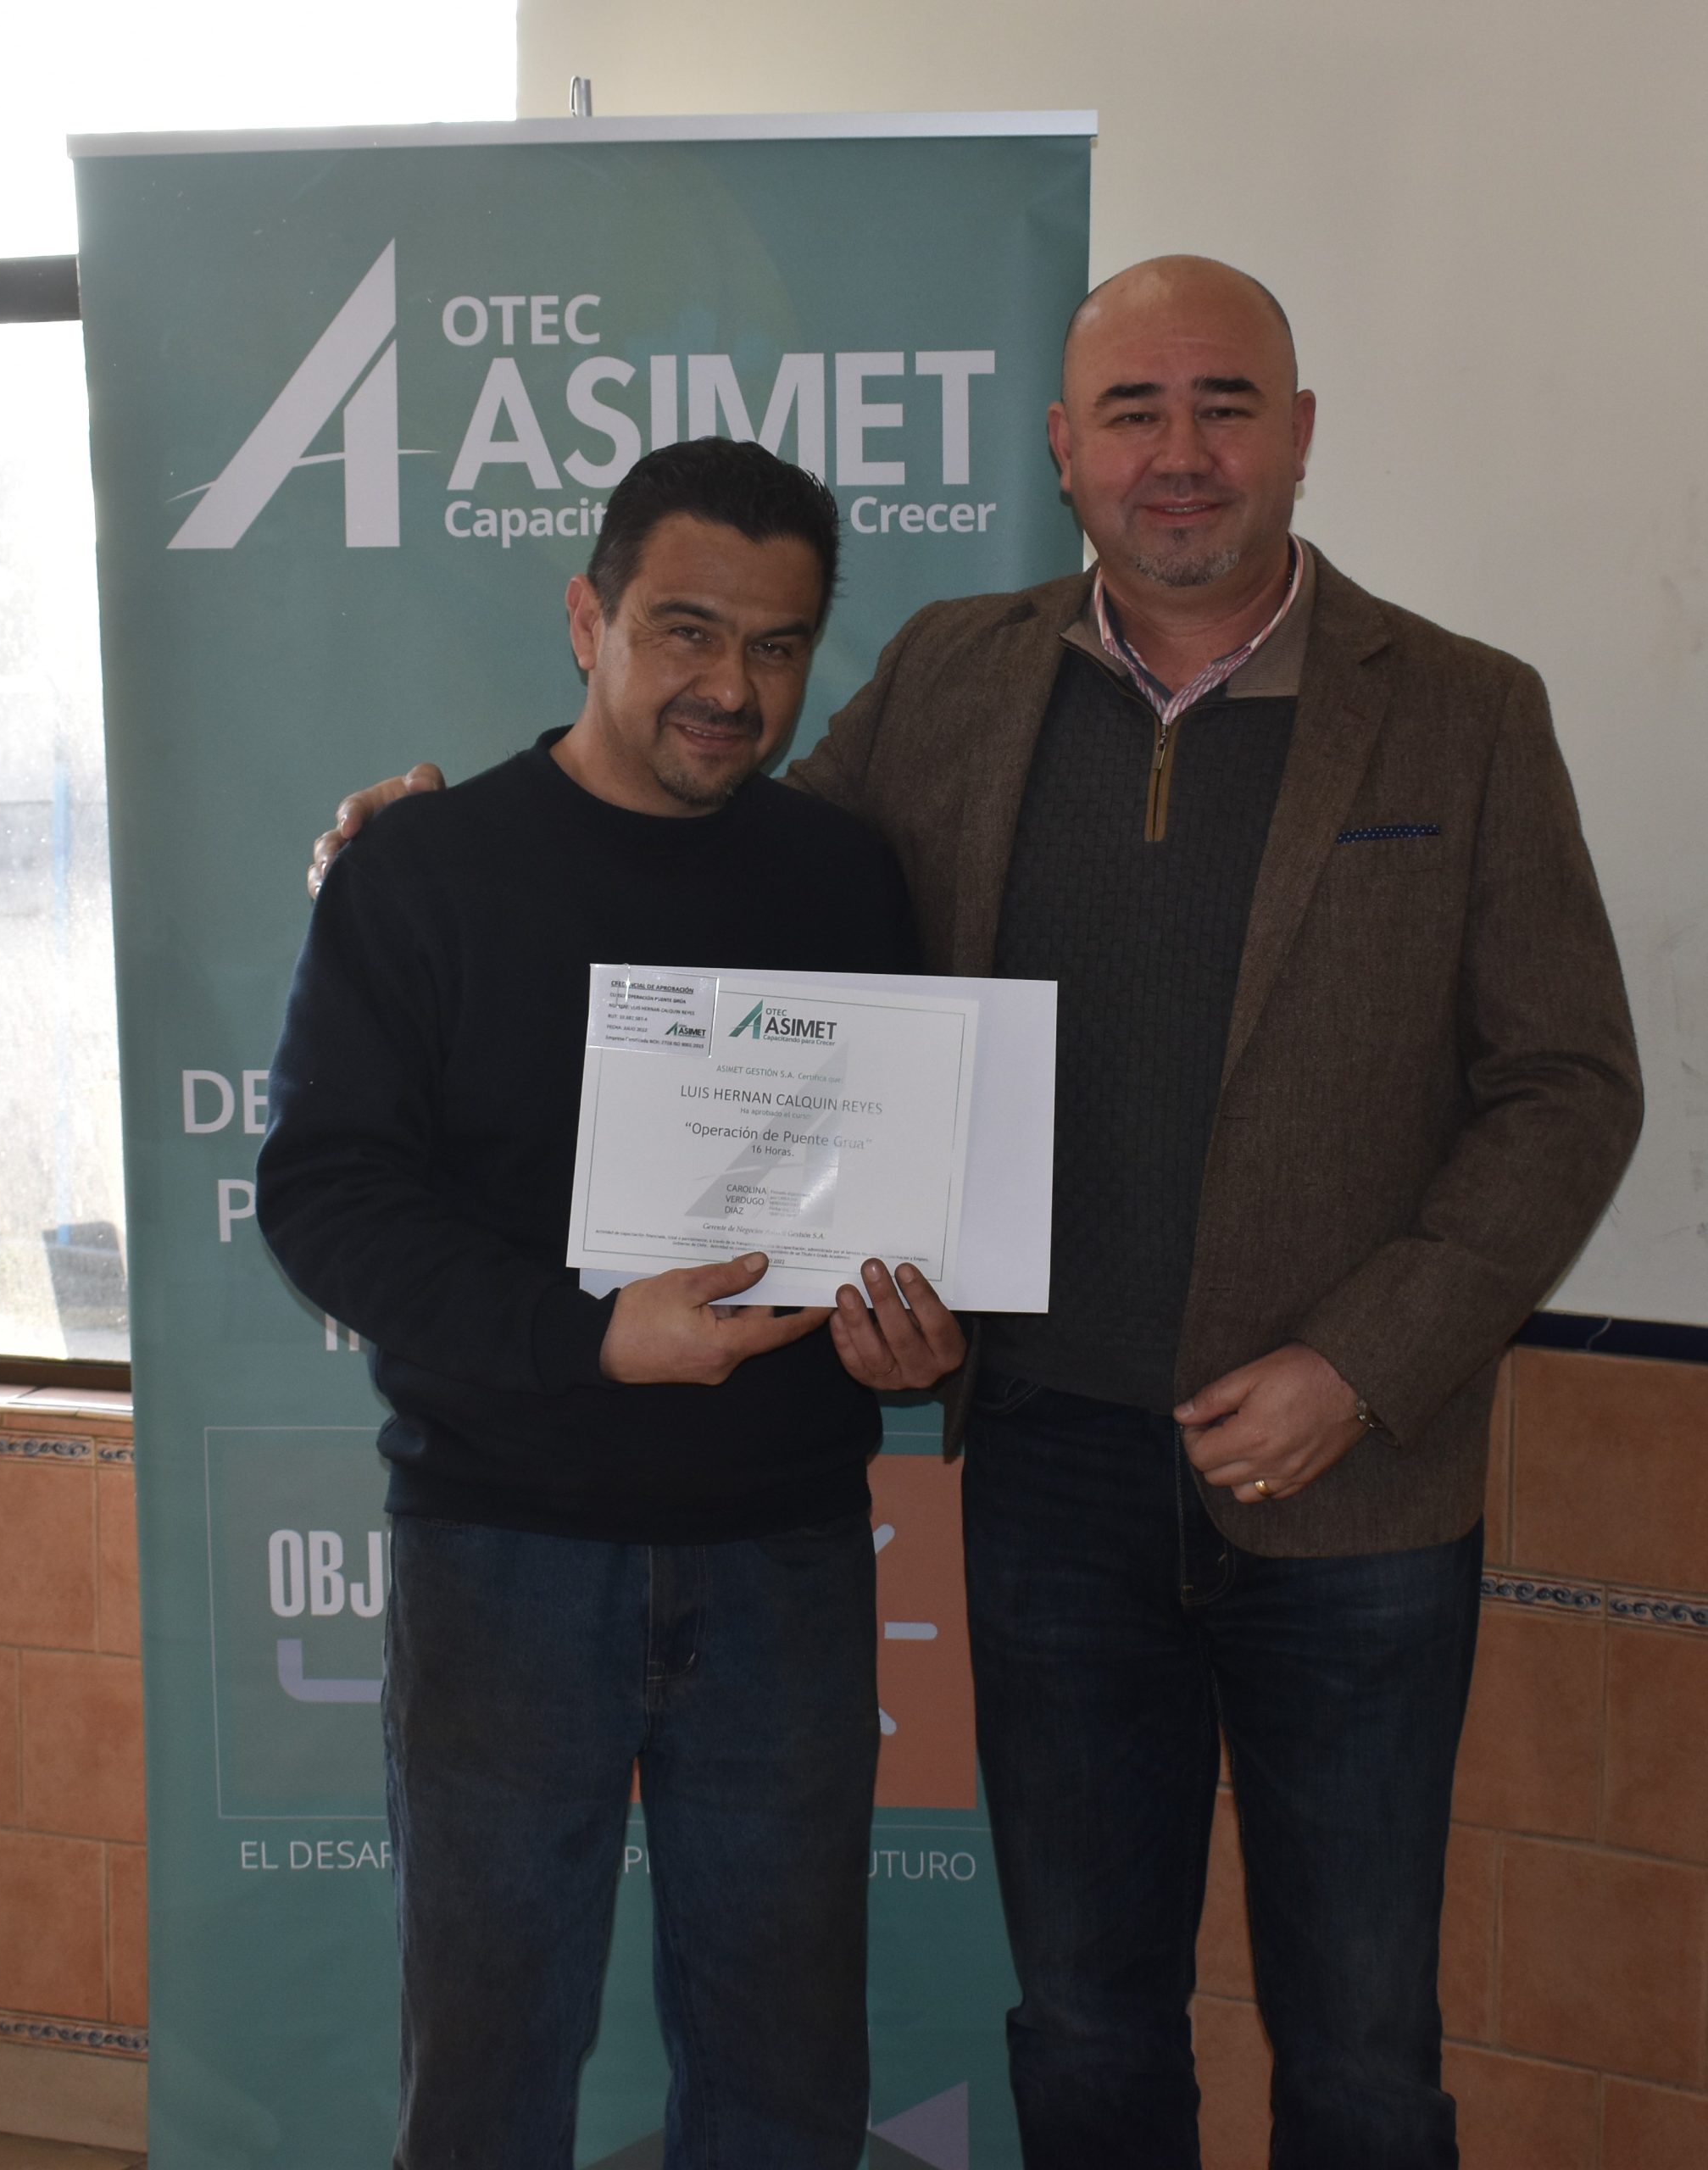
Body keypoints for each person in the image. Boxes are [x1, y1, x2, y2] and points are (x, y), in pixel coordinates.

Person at [310, 259, 1642, 2170]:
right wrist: (417, 842)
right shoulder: (952, 676)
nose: (1179, 453)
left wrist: (1364, 1362)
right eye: (1132, 411)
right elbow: (694, 835)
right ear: (1062, 449)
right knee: (1084, 2023)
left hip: (1347, 1487)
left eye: (1224, 404)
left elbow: (1568, 1086)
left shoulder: (1461, 712)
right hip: (1049, 1477)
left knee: (1361, 2044)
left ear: (1298, 433)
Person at [259, 437, 965, 2170]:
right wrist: (591, 1336)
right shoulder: (423, 872)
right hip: (503, 1555)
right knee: (489, 2074)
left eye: (778, 645)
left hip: (788, 1554)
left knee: (785, 2076)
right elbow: (327, 1198)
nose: (732, 686)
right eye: (684, 630)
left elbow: (892, 1200)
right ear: (587, 619)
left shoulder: (848, 877)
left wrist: (914, 1329)